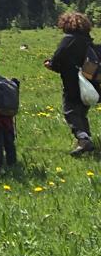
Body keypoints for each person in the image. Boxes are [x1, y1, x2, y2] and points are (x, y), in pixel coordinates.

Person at [45, 11, 96, 156]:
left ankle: (83, 139)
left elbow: (58, 58)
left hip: (72, 83)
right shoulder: (87, 40)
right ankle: (86, 140)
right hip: (88, 84)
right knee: (81, 112)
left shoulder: (68, 40)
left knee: (70, 112)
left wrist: (51, 65)